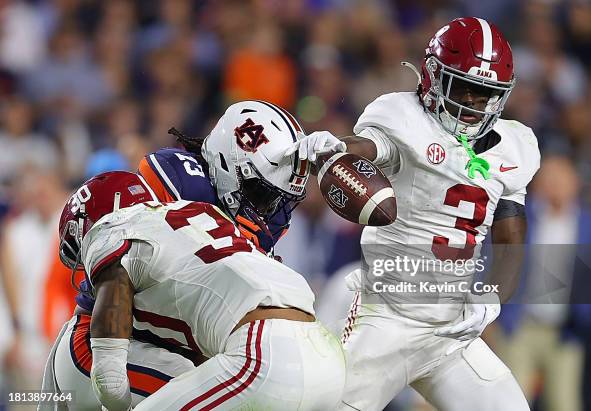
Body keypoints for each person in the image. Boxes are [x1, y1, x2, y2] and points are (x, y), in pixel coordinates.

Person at [289, 17, 539, 411]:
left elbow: (510, 240)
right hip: (387, 316)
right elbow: (369, 148)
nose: (473, 102)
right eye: (465, 87)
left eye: (484, 92)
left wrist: (490, 299)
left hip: (451, 332)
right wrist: (336, 146)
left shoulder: (515, 145)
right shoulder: (402, 117)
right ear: (433, 77)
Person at [41, 100, 312, 409]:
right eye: (263, 193)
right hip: (110, 340)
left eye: (280, 198)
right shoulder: (178, 183)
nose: (271, 210)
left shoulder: (267, 218)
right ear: (228, 164)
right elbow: (117, 274)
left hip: (165, 349)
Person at [58, 171, 345, 411]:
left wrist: (114, 398)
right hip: (328, 361)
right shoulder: (205, 214)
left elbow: (110, 376)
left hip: (264, 353)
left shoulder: (111, 228)